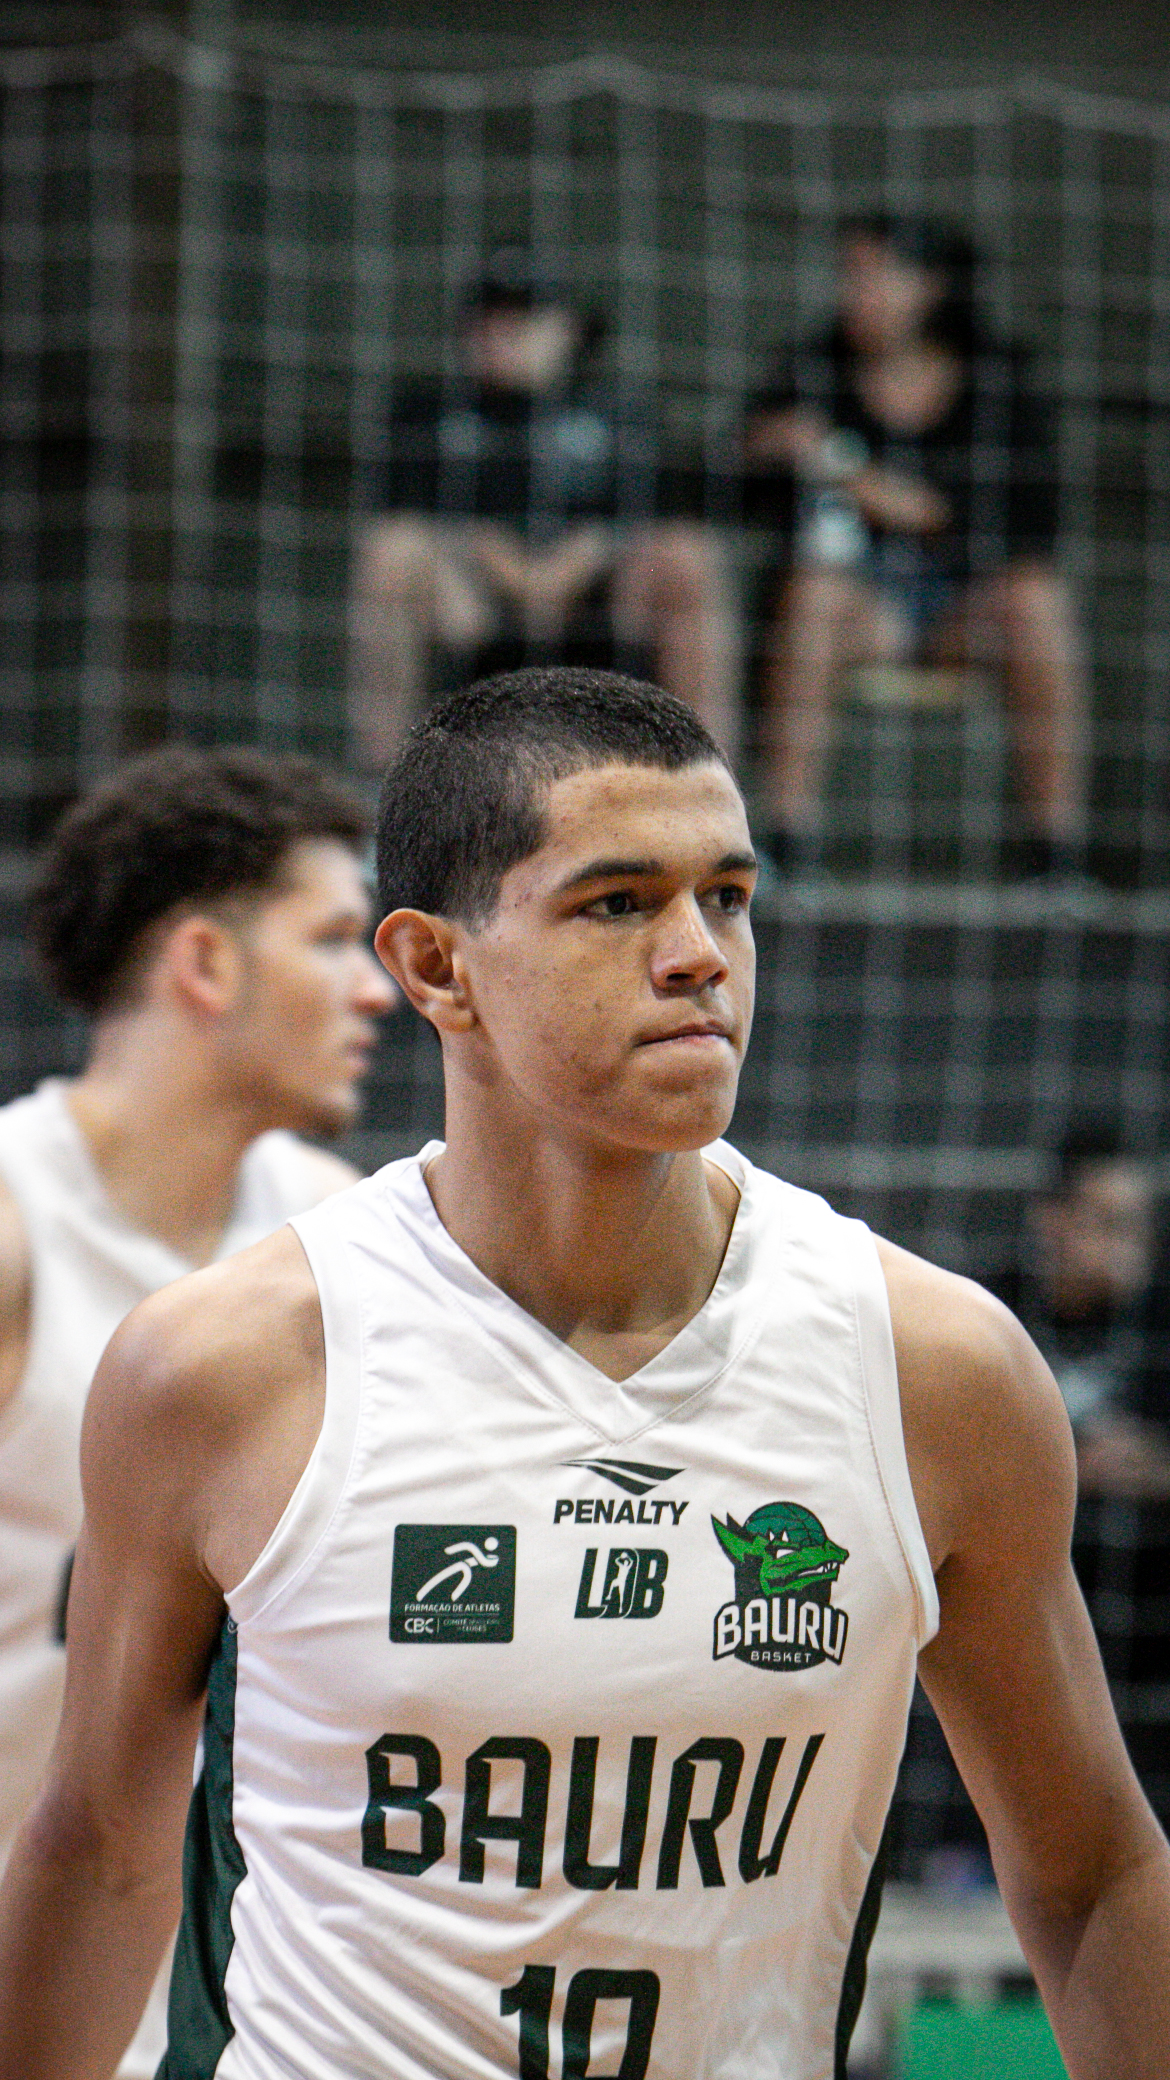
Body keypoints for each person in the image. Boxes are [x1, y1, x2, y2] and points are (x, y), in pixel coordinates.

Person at [2, 669, 1168, 2080]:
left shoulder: (938, 1368)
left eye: (728, 897)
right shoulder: (222, 1365)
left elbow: (1093, 1871)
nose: (698, 955)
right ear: (435, 969)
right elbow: (102, 1851)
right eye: (617, 904)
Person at [0, 744, 395, 2072]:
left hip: (229, 1996)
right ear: (206, 965)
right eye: (332, 938)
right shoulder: (15, 1223)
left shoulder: (339, 1232)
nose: (376, 987)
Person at [746, 215, 1087, 877]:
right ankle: (786, 845)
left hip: (963, 608)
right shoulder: (812, 367)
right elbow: (744, 484)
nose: (855, 292)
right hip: (863, 609)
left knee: (1037, 600)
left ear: (930, 286)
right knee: (815, 592)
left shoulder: (996, 377)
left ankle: (1056, 859)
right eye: (849, 275)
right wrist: (763, 449)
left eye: (874, 275)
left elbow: (1006, 520)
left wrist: (846, 470)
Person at [353, 253, 737, 768]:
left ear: (569, 330)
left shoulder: (619, 414)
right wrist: (500, 562)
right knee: (391, 554)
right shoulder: (428, 413)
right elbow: (402, 516)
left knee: (689, 555)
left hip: (594, 610)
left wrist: (583, 556)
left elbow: (654, 517)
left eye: (522, 316)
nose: (501, 331)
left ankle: (710, 777)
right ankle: (381, 781)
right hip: (474, 611)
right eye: (488, 316)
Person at [988, 1122, 1170, 1497]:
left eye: (1140, 1228)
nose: (1131, 1250)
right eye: (1112, 1224)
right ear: (1052, 1220)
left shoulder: (1158, 1321)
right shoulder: (989, 1312)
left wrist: (1154, 1466)